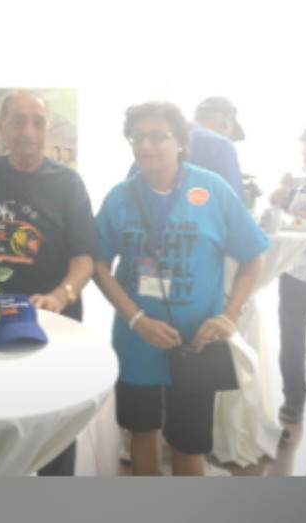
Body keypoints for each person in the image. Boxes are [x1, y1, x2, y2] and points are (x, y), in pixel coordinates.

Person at [93, 101, 269, 476]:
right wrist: (136, 319)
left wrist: (229, 315)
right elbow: (98, 265)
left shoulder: (212, 190)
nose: (145, 145)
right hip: (136, 341)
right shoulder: (120, 197)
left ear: (180, 142)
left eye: (157, 135)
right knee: (141, 432)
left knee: (189, 444)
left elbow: (253, 258)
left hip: (196, 343)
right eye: (137, 137)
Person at [0, 89, 98, 476]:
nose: (28, 131)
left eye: (38, 122)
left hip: (54, 322)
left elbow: (84, 259)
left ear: (47, 129)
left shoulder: (69, 183)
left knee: (55, 427)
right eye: (18, 121)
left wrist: (61, 294)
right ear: (1, 127)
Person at [269, 125, 306, 423]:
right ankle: (294, 398)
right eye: (305, 154)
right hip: (296, 275)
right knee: (292, 343)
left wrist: (302, 216)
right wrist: (280, 192)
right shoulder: (299, 184)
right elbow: (275, 210)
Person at [127, 96, 246, 201]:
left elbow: (128, 194)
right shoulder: (222, 146)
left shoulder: (152, 141)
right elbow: (234, 206)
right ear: (227, 119)